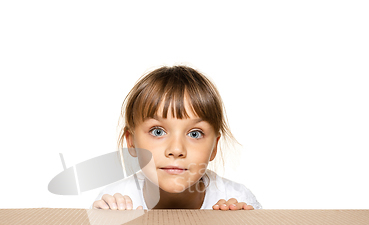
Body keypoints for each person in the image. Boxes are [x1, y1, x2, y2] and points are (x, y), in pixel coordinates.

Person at [92, 65, 261, 211]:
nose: (176, 150)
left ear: (214, 147)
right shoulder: (114, 199)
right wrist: (104, 223)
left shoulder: (237, 198)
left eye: (195, 134)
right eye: (157, 131)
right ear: (131, 142)